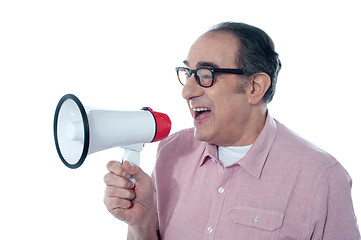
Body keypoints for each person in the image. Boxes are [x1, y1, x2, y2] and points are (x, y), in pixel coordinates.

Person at [103, 22, 360, 239]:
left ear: (254, 87)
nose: (187, 91)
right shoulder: (172, 151)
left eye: (206, 74)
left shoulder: (321, 177)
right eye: (188, 73)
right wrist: (141, 223)